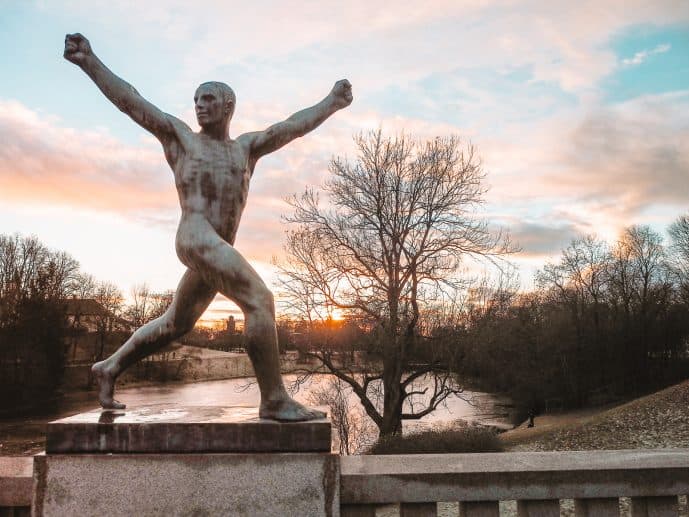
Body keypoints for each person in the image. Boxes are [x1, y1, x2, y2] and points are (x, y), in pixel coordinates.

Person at [64, 33, 353, 421]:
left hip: (216, 246)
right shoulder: (182, 139)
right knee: (260, 300)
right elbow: (131, 101)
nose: (199, 107)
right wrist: (90, 61)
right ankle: (274, 400)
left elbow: (292, 126)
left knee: (176, 323)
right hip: (195, 236)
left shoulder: (246, 149)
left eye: (208, 100)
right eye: (196, 100)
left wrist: (331, 102)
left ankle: (110, 366)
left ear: (228, 107)